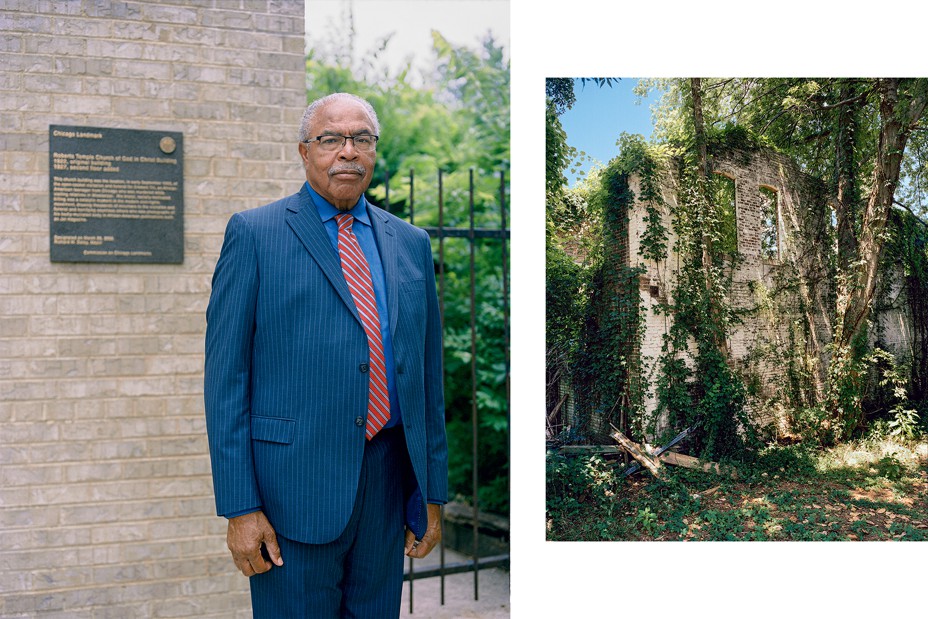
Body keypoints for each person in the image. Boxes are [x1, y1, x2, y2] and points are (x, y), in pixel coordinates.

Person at [204, 92, 447, 618]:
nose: (348, 152)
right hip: (292, 492)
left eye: (361, 139)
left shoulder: (410, 243)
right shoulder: (254, 234)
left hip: (386, 484)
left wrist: (431, 493)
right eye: (331, 139)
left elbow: (427, 379)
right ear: (304, 150)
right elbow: (226, 383)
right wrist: (241, 508)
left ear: (374, 151)